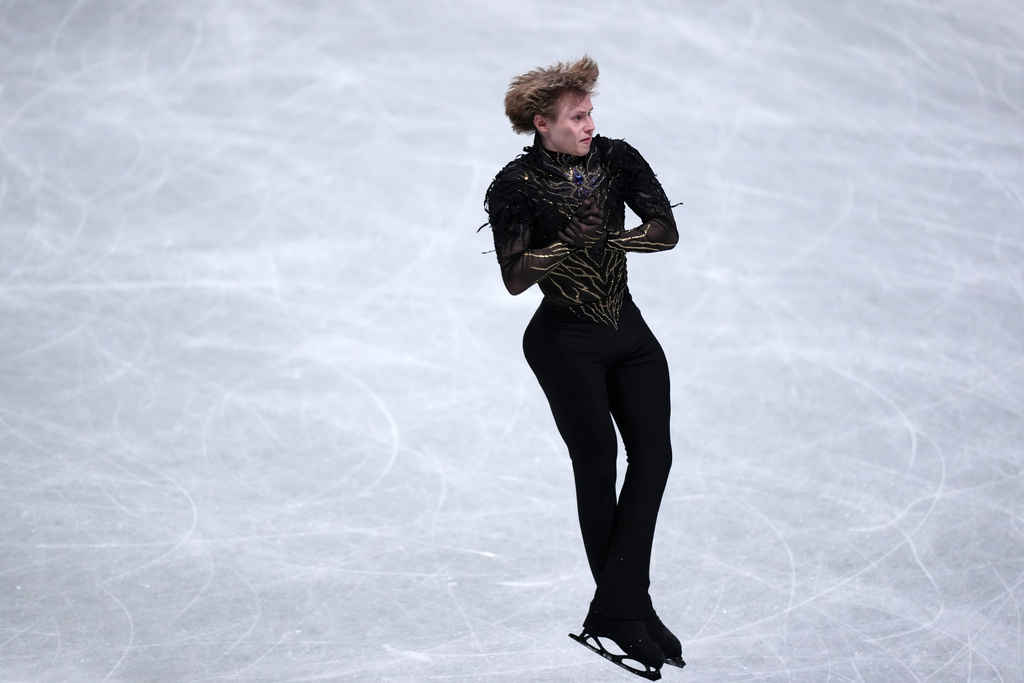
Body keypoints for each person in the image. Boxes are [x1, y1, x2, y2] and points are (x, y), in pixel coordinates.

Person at [483, 56, 684, 679]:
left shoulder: (617, 158)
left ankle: (623, 606)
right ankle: (626, 612)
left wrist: (607, 240)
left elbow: (665, 230)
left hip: (627, 330)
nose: (590, 123)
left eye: (591, 111)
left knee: (655, 457)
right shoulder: (513, 186)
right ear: (541, 123)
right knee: (597, 465)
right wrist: (567, 240)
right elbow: (515, 278)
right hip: (563, 341)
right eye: (577, 116)